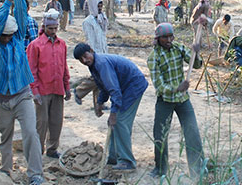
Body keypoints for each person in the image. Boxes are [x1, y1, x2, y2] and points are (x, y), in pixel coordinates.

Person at [0, 0, 44, 185]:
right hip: (0, 99)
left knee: (31, 133)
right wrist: (6, 3)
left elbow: (21, 16)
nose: (7, 39)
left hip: (22, 94)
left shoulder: (17, 37)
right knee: (5, 137)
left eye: (10, 35)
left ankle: (35, 174)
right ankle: (6, 171)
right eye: (4, 35)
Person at [74, 44, 148, 171]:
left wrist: (113, 113)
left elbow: (114, 90)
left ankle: (127, 161)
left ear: (91, 51)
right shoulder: (93, 65)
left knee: (120, 122)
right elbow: (103, 86)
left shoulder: (101, 63)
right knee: (114, 124)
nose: (84, 60)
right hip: (124, 87)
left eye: (85, 56)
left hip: (133, 86)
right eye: (81, 59)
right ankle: (114, 158)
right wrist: (99, 103)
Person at [147, 23, 204, 178]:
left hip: (182, 100)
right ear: (158, 39)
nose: (169, 39)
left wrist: (196, 53)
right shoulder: (154, 57)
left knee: (192, 131)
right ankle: (160, 168)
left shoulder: (178, 47)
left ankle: (198, 168)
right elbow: (159, 85)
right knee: (160, 135)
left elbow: (197, 65)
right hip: (165, 100)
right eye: (165, 37)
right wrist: (177, 88)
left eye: (171, 36)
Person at [27, 9, 71, 158]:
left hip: (57, 88)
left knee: (56, 121)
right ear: (44, 27)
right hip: (43, 90)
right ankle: (38, 150)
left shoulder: (62, 44)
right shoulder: (35, 45)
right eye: (50, 28)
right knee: (41, 122)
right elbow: (31, 70)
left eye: (55, 28)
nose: (53, 31)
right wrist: (35, 92)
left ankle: (52, 149)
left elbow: (64, 66)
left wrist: (67, 87)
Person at [74, 0, 109, 105]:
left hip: (103, 52)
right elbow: (90, 39)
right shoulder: (88, 22)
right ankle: (79, 91)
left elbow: (103, 36)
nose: (100, 8)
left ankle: (99, 103)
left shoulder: (101, 18)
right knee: (98, 77)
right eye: (98, 6)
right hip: (94, 53)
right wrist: (93, 55)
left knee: (99, 80)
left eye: (101, 6)